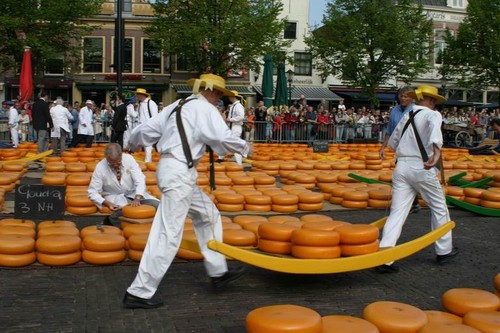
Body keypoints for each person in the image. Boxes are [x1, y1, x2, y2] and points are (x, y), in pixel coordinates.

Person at [123, 73, 252, 309]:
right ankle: (139, 292)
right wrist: (246, 147)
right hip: (179, 173)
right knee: (168, 232)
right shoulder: (206, 109)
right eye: (219, 96)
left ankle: (217, 271)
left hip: (175, 172)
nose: (219, 101)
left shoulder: (176, 106)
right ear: (211, 91)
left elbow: (145, 130)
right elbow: (219, 137)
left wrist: (131, 144)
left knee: (208, 215)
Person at [377, 85, 458, 273]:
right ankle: (444, 250)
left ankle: (385, 256)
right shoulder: (433, 114)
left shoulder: (407, 116)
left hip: (401, 167)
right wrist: (436, 151)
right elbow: (434, 129)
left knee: (397, 212)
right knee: (439, 207)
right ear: (433, 101)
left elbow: (393, 143)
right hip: (422, 167)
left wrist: (407, 151)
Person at [88, 143, 159, 227]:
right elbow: (92, 192)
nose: (115, 166)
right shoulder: (100, 167)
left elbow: (140, 179)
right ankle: (111, 221)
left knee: (158, 206)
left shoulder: (129, 159)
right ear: (106, 158)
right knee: (125, 210)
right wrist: (107, 203)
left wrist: (137, 197)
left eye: (118, 163)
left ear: (121, 155)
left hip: (133, 194)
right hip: (113, 196)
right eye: (111, 164)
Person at [380, 86, 421, 213]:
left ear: (411, 98)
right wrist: (383, 147)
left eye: (406, 96)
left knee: (409, 176)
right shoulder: (395, 111)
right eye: (401, 96)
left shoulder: (416, 110)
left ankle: (413, 202)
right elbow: (389, 130)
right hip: (399, 150)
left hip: (414, 149)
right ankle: (412, 203)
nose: (403, 98)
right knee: (401, 175)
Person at [219, 91, 245, 164]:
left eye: (230, 96)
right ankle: (220, 157)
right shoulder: (233, 105)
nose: (229, 98)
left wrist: (230, 119)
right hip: (232, 127)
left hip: (236, 127)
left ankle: (239, 163)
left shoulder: (238, 106)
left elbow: (241, 116)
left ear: (233, 97)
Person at [135, 88, 158, 162]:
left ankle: (148, 160)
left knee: (147, 144)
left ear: (142, 95)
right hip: (142, 126)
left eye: (138, 94)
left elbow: (155, 116)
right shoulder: (140, 104)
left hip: (149, 126)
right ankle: (148, 159)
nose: (137, 96)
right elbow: (139, 116)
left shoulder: (151, 103)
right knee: (145, 144)